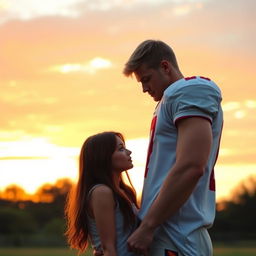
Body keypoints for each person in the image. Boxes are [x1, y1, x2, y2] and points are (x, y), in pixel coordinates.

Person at [123, 40, 223, 256]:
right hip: (171, 230)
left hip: (177, 233)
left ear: (165, 67)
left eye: (147, 79)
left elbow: (191, 166)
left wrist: (148, 226)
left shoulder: (188, 90)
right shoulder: (169, 100)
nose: (144, 89)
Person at [65, 131, 139, 256]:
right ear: (103, 157)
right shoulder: (101, 192)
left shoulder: (125, 191)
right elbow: (108, 248)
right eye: (121, 149)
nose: (129, 152)